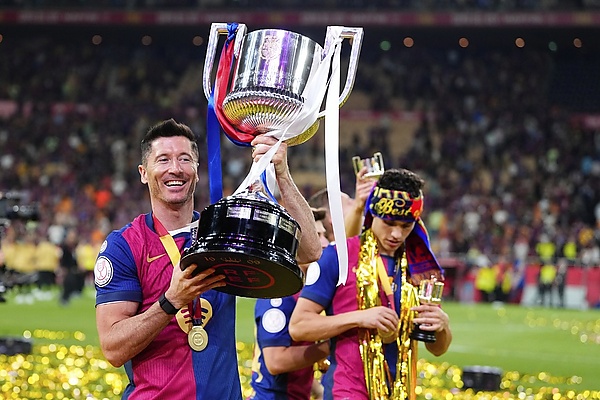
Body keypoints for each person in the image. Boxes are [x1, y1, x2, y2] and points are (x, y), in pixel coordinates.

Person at [94, 118, 321, 399]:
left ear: (197, 170)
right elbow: (113, 349)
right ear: (144, 173)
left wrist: (282, 175)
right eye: (163, 159)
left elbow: (310, 251)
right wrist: (171, 301)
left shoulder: (221, 232)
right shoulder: (125, 245)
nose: (175, 168)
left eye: (184, 159)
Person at [289, 168, 452, 400]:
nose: (396, 234)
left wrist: (442, 327)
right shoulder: (340, 256)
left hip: (399, 392)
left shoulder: (419, 267)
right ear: (373, 213)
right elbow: (299, 326)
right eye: (389, 222)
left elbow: (438, 348)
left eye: (406, 226)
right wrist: (360, 318)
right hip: (346, 392)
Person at [249, 208, 330, 400]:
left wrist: (318, 390)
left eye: (324, 235)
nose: (325, 243)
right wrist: (331, 346)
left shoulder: (302, 289)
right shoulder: (279, 293)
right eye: (317, 236)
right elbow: (276, 361)